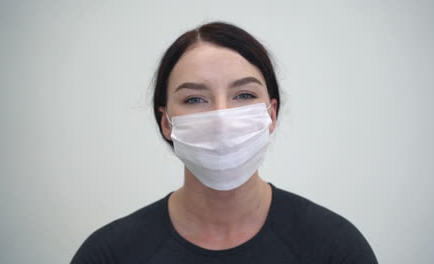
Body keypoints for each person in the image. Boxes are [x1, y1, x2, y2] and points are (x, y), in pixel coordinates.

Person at [71, 21, 378, 264]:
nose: (221, 118)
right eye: (194, 98)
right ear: (167, 123)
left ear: (270, 114)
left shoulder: (334, 248)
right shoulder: (110, 254)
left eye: (244, 95)